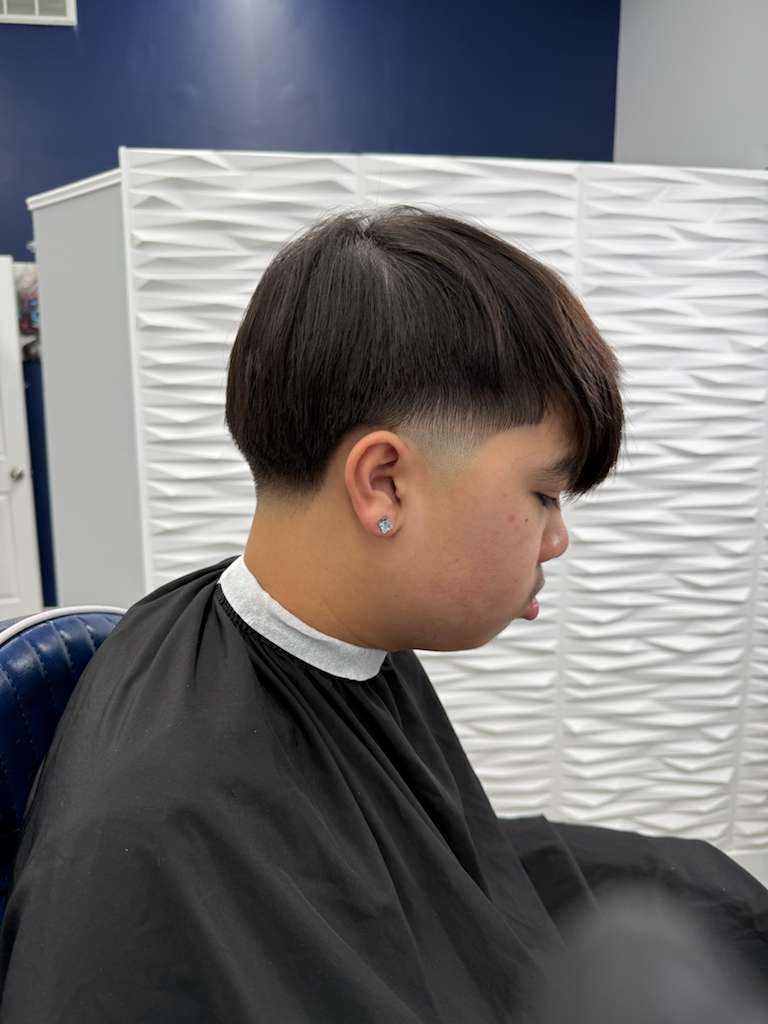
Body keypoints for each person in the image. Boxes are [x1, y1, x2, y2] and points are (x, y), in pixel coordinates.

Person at [0, 207, 765, 1022]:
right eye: (543, 495)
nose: (557, 539)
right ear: (384, 484)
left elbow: (427, 858)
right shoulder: (156, 831)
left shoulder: (340, 638)